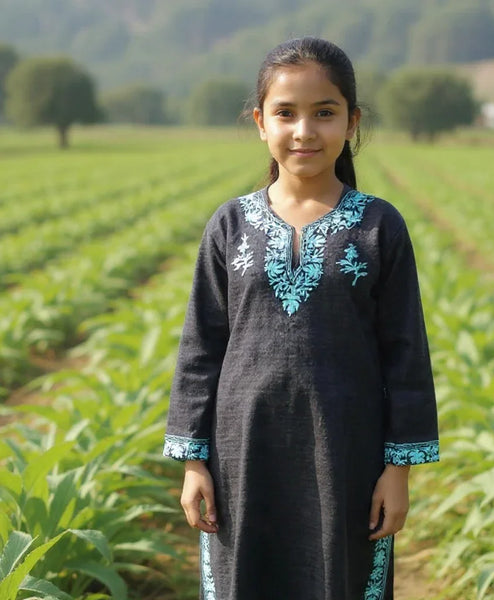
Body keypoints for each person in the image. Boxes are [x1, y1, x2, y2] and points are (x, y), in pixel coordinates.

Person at [163, 36, 439, 600]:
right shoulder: (230, 224)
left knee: (339, 578)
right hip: (243, 454)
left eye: (325, 113)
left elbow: (405, 354)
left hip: (348, 455)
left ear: (352, 122)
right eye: (286, 113)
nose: (304, 131)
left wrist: (398, 470)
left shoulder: (379, 227)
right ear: (260, 122)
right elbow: (201, 348)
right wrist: (194, 462)